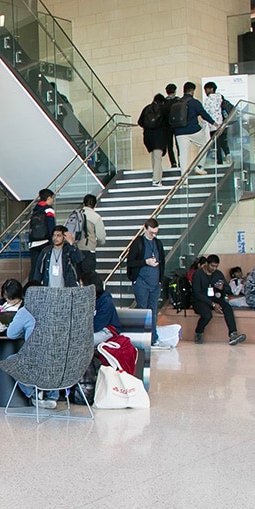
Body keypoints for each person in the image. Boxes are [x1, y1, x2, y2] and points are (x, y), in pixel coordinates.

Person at [191, 255, 247, 346]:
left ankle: (233, 334)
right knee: (207, 314)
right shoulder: (198, 274)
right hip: (199, 300)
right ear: (206, 264)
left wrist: (222, 288)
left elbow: (228, 290)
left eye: (216, 266)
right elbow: (197, 293)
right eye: (212, 266)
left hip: (214, 297)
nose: (214, 268)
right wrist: (212, 304)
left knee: (227, 308)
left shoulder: (218, 274)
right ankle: (199, 332)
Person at [128, 218, 167, 347]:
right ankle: (142, 338)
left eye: (156, 233)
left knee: (153, 311)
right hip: (141, 282)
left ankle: (153, 337)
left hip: (155, 283)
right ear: (145, 229)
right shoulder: (138, 243)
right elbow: (130, 262)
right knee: (142, 310)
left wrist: (160, 280)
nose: (153, 235)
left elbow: (162, 262)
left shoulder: (158, 243)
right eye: (151, 233)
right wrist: (145, 262)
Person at [174, 81, 216, 175]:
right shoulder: (194, 102)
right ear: (192, 90)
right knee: (205, 144)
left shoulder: (177, 102)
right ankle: (199, 166)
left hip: (179, 132)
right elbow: (204, 114)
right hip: (193, 130)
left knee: (183, 154)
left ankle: (183, 176)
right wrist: (214, 123)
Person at [66, 193, 106, 274]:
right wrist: (100, 242)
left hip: (74, 248)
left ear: (83, 203)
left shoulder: (75, 214)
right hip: (88, 250)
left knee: (77, 274)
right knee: (88, 276)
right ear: (95, 205)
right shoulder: (96, 217)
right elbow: (101, 237)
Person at [138, 93, 171, 186]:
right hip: (159, 136)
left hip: (148, 136)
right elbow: (169, 122)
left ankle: (156, 177)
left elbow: (140, 122)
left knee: (154, 157)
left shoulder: (146, 108)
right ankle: (156, 179)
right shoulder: (164, 109)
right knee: (158, 158)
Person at [82, 271, 121, 345]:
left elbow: (97, 326)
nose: (80, 289)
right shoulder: (86, 299)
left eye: (82, 285)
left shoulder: (106, 301)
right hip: (90, 330)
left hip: (107, 330)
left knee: (85, 341)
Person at [201, 81, 229, 165]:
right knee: (223, 141)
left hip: (213, 126)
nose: (205, 92)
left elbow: (205, 114)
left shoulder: (207, 101)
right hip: (224, 124)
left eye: (206, 89)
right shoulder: (221, 98)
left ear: (211, 89)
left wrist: (204, 127)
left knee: (217, 144)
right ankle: (228, 155)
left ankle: (219, 161)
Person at [161, 83, 180, 169]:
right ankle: (180, 161)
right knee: (179, 145)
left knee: (170, 146)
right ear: (175, 91)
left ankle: (173, 163)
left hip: (167, 126)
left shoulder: (163, 102)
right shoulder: (178, 101)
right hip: (177, 125)